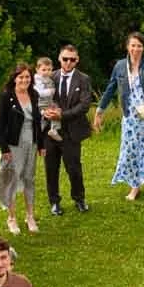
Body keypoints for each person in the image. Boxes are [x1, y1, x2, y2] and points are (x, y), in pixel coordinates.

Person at [96, 31, 144, 204]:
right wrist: (100, 110)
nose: (136, 49)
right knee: (131, 150)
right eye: (133, 45)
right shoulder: (120, 66)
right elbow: (110, 89)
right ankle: (135, 185)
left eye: (139, 46)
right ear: (127, 47)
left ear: (143, 48)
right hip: (130, 116)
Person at [42, 44, 96, 216]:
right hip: (50, 131)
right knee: (51, 168)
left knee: (74, 168)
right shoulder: (50, 76)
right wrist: (45, 112)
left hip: (72, 131)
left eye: (72, 60)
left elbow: (84, 105)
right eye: (65, 59)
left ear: (77, 60)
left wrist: (62, 115)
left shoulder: (83, 79)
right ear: (59, 58)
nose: (68, 62)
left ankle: (79, 199)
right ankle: (54, 202)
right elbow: (39, 98)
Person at [0, 62, 44, 235]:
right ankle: (11, 218)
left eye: (27, 77)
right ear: (14, 78)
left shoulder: (34, 94)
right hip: (13, 144)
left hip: (31, 141)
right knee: (12, 179)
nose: (24, 80)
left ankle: (30, 216)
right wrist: (4, 148)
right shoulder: (7, 96)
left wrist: (41, 144)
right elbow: (0, 124)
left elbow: (38, 121)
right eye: (21, 77)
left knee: (29, 178)